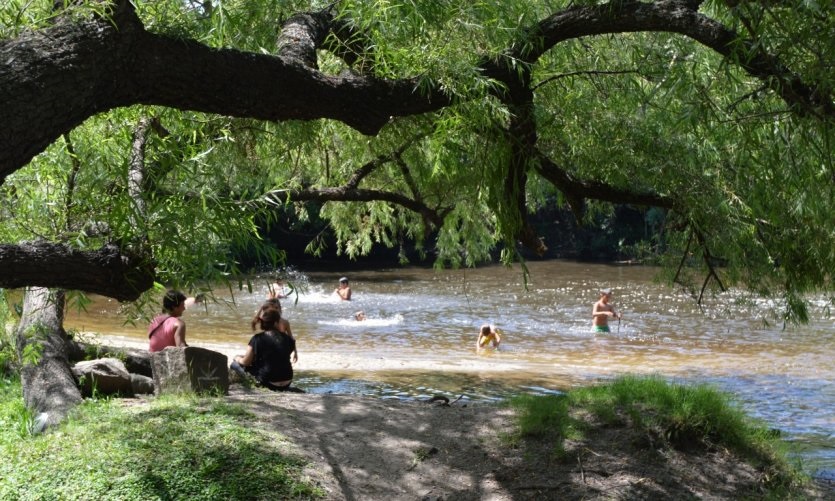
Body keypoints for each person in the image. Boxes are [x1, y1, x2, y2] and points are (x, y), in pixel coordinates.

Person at [231, 304, 302, 392]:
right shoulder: (288, 339)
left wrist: (237, 358)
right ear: (276, 322)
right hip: (287, 381)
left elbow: (245, 362)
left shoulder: (257, 339)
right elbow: (278, 357)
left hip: (268, 383)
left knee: (234, 365)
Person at [251, 298, 297, 363]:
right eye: (272, 308)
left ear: (280, 308)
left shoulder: (285, 322)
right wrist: (261, 307)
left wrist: (295, 352)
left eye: (276, 307)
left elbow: (291, 338)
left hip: (280, 349)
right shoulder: (266, 320)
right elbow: (254, 322)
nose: (275, 310)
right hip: (268, 349)